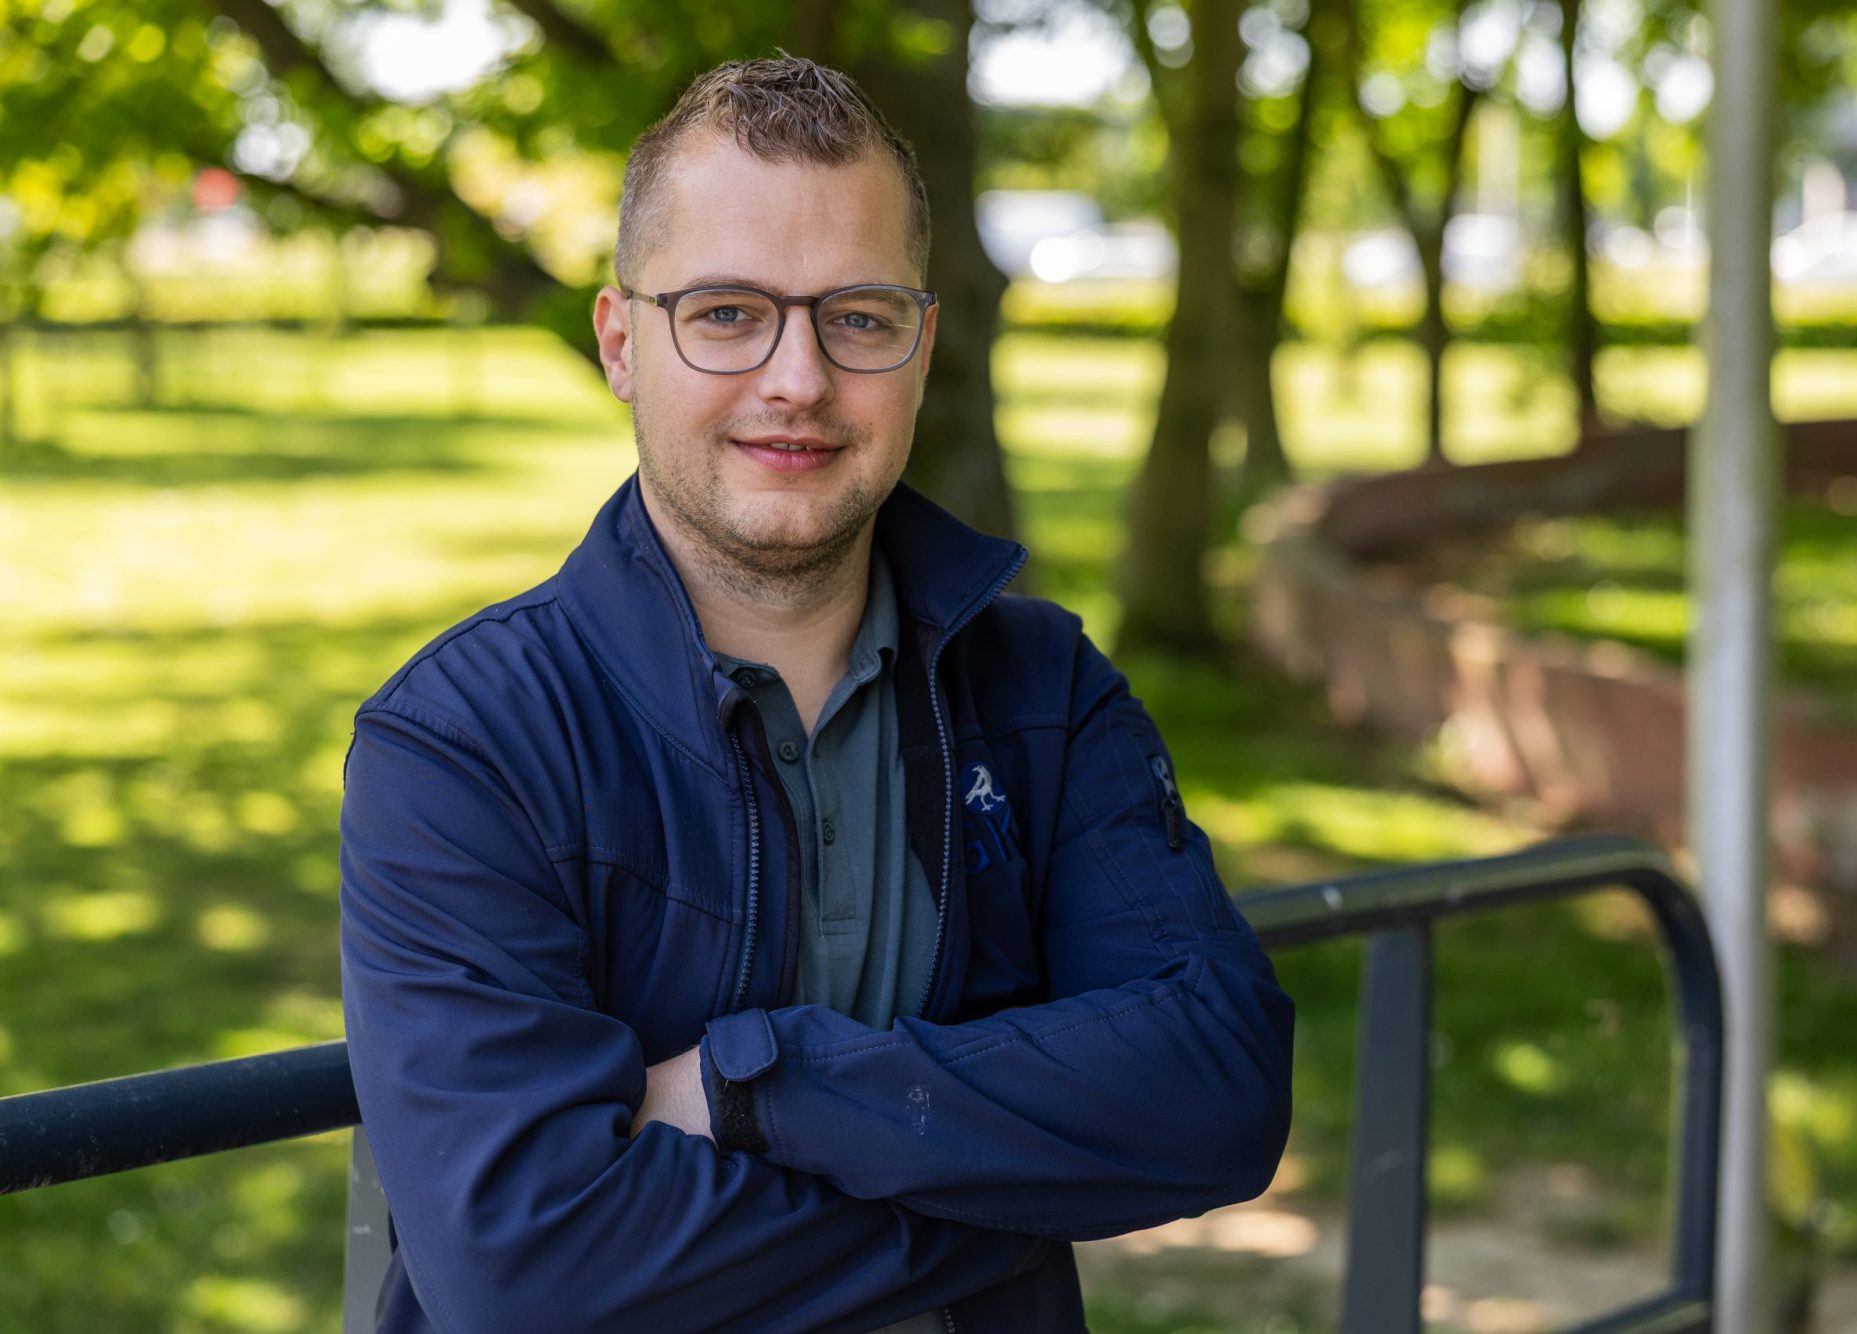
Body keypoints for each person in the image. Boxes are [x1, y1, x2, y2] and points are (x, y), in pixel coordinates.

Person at [339, 55, 1294, 1334]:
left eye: (856, 314)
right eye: (726, 312)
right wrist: (1011, 1199)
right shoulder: (466, 744)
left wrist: (755, 1088)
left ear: (920, 345)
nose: (797, 379)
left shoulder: (1042, 690)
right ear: (622, 342)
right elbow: (529, 1271)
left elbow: (1216, 1090)